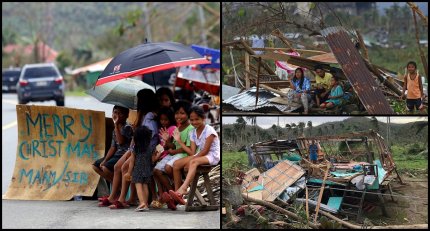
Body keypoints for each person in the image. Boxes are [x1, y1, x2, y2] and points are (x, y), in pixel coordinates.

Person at [168, 106, 220, 205]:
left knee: (193, 161)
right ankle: (177, 194)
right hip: (200, 155)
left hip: (212, 156)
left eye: (197, 119)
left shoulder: (209, 130)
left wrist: (191, 160)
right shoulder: (193, 132)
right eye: (192, 120)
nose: (194, 122)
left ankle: (182, 189)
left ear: (203, 118)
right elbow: (192, 152)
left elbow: (205, 151)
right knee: (176, 164)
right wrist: (179, 141)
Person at [159, 100, 194, 209]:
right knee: (158, 170)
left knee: (169, 168)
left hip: (185, 155)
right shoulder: (177, 129)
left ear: (188, 114)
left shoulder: (190, 129)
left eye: (182, 113)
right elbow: (172, 146)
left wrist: (173, 150)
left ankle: (177, 193)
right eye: (177, 113)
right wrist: (167, 141)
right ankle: (174, 191)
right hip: (175, 155)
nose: (178, 116)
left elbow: (187, 149)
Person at [92, 105, 132, 184]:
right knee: (96, 166)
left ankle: (119, 186)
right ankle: (115, 185)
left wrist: (116, 125)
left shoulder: (127, 127)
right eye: (115, 112)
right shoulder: (115, 129)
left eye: (120, 114)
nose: (116, 115)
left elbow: (121, 142)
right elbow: (113, 147)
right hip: (116, 155)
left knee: (105, 168)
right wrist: (105, 160)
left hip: (124, 155)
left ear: (126, 116)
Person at [124, 126, 153, 212]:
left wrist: (129, 172)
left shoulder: (135, 148)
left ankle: (141, 202)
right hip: (147, 169)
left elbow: (132, 161)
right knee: (145, 186)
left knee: (138, 186)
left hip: (138, 169)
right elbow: (152, 159)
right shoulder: (150, 148)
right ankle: (146, 204)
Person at [152, 107, 177, 207]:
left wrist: (166, 141)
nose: (163, 122)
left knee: (156, 171)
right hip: (162, 155)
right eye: (161, 120)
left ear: (170, 119)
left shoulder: (172, 129)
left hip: (169, 155)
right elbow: (161, 146)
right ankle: (163, 195)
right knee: (154, 172)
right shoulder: (161, 129)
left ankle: (170, 192)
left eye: (165, 120)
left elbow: (172, 146)